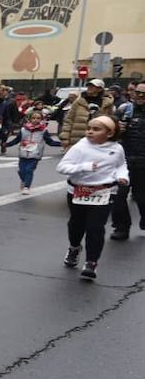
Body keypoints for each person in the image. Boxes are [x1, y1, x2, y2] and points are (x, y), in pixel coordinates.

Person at [57, 115, 128, 280]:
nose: (90, 132)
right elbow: (62, 167)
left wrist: (123, 176)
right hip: (77, 191)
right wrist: (85, 167)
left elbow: (120, 165)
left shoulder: (117, 148)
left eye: (96, 129)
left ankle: (91, 262)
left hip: (103, 192)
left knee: (95, 228)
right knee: (76, 224)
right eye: (89, 128)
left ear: (109, 133)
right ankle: (74, 247)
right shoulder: (80, 147)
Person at [109, 82, 145, 239]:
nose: (140, 97)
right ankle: (121, 227)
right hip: (124, 161)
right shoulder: (125, 110)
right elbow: (108, 131)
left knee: (141, 197)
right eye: (137, 93)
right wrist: (117, 130)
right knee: (117, 195)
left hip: (143, 164)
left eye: (143, 94)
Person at [6, 109, 60, 194]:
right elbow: (17, 140)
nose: (36, 120)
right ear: (30, 119)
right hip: (23, 153)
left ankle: (27, 187)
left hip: (35, 154)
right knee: (21, 171)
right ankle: (24, 181)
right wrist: (6, 144)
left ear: (41, 120)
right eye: (34, 118)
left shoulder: (43, 130)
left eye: (38, 118)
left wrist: (61, 144)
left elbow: (50, 142)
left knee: (29, 170)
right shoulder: (24, 129)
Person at [60, 79, 114, 148]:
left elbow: (110, 121)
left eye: (93, 86)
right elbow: (69, 120)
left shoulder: (107, 103)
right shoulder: (79, 101)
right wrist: (65, 137)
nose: (89, 88)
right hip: (77, 139)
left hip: (97, 139)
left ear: (100, 89)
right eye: (88, 86)